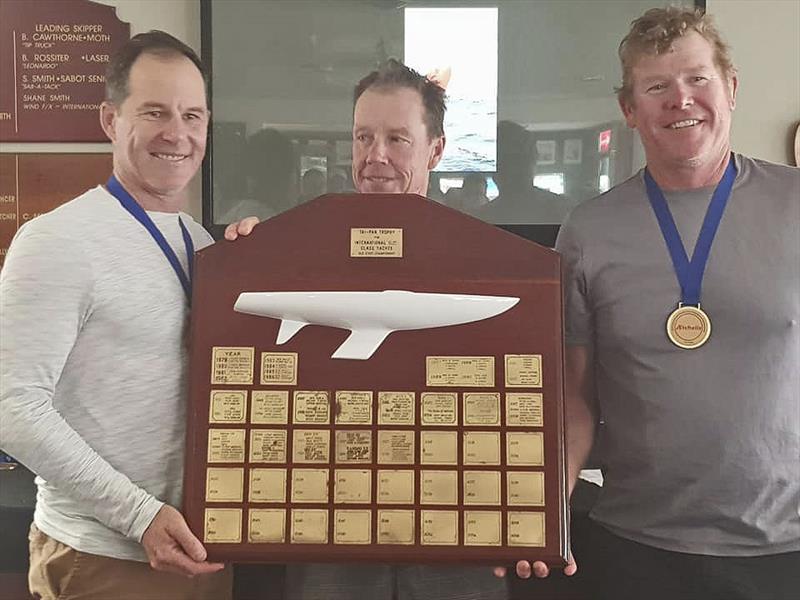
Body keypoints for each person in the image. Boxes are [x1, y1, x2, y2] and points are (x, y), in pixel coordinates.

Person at [508, 7, 799, 599]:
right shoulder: (589, 230)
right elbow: (576, 397)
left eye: (697, 79)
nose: (680, 99)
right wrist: (542, 511)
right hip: (635, 544)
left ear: (731, 88)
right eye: (657, 86)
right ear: (630, 109)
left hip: (784, 547)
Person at [229, 59, 507, 600]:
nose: (375, 156)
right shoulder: (296, 250)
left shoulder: (489, 262)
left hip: (454, 531)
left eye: (398, 138)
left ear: (436, 149)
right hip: (331, 528)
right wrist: (244, 259)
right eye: (363, 137)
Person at [0, 31, 251, 599]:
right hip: (105, 558)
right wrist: (138, 516)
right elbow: (12, 407)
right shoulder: (56, 241)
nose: (177, 133)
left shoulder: (198, 241)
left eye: (192, 115)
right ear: (111, 119)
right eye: (155, 112)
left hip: (199, 551)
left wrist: (261, 261)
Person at [477, 120, 572, 224]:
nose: (513, 169)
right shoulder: (560, 208)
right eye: (505, 162)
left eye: (517, 160)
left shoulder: (561, 210)